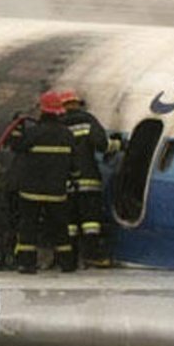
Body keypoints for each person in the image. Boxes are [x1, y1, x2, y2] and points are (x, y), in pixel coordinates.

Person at [9, 91, 79, 274]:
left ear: (42, 111)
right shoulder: (67, 135)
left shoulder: (34, 133)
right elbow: (74, 164)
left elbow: (16, 146)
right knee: (60, 228)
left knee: (28, 229)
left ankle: (26, 264)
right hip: (56, 192)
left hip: (31, 192)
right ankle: (67, 263)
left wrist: (16, 128)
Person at [59, 90, 120, 268]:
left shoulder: (57, 125)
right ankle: (92, 255)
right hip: (88, 181)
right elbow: (103, 145)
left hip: (65, 183)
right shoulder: (87, 121)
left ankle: (68, 258)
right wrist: (118, 144)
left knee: (69, 223)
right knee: (91, 222)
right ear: (78, 104)